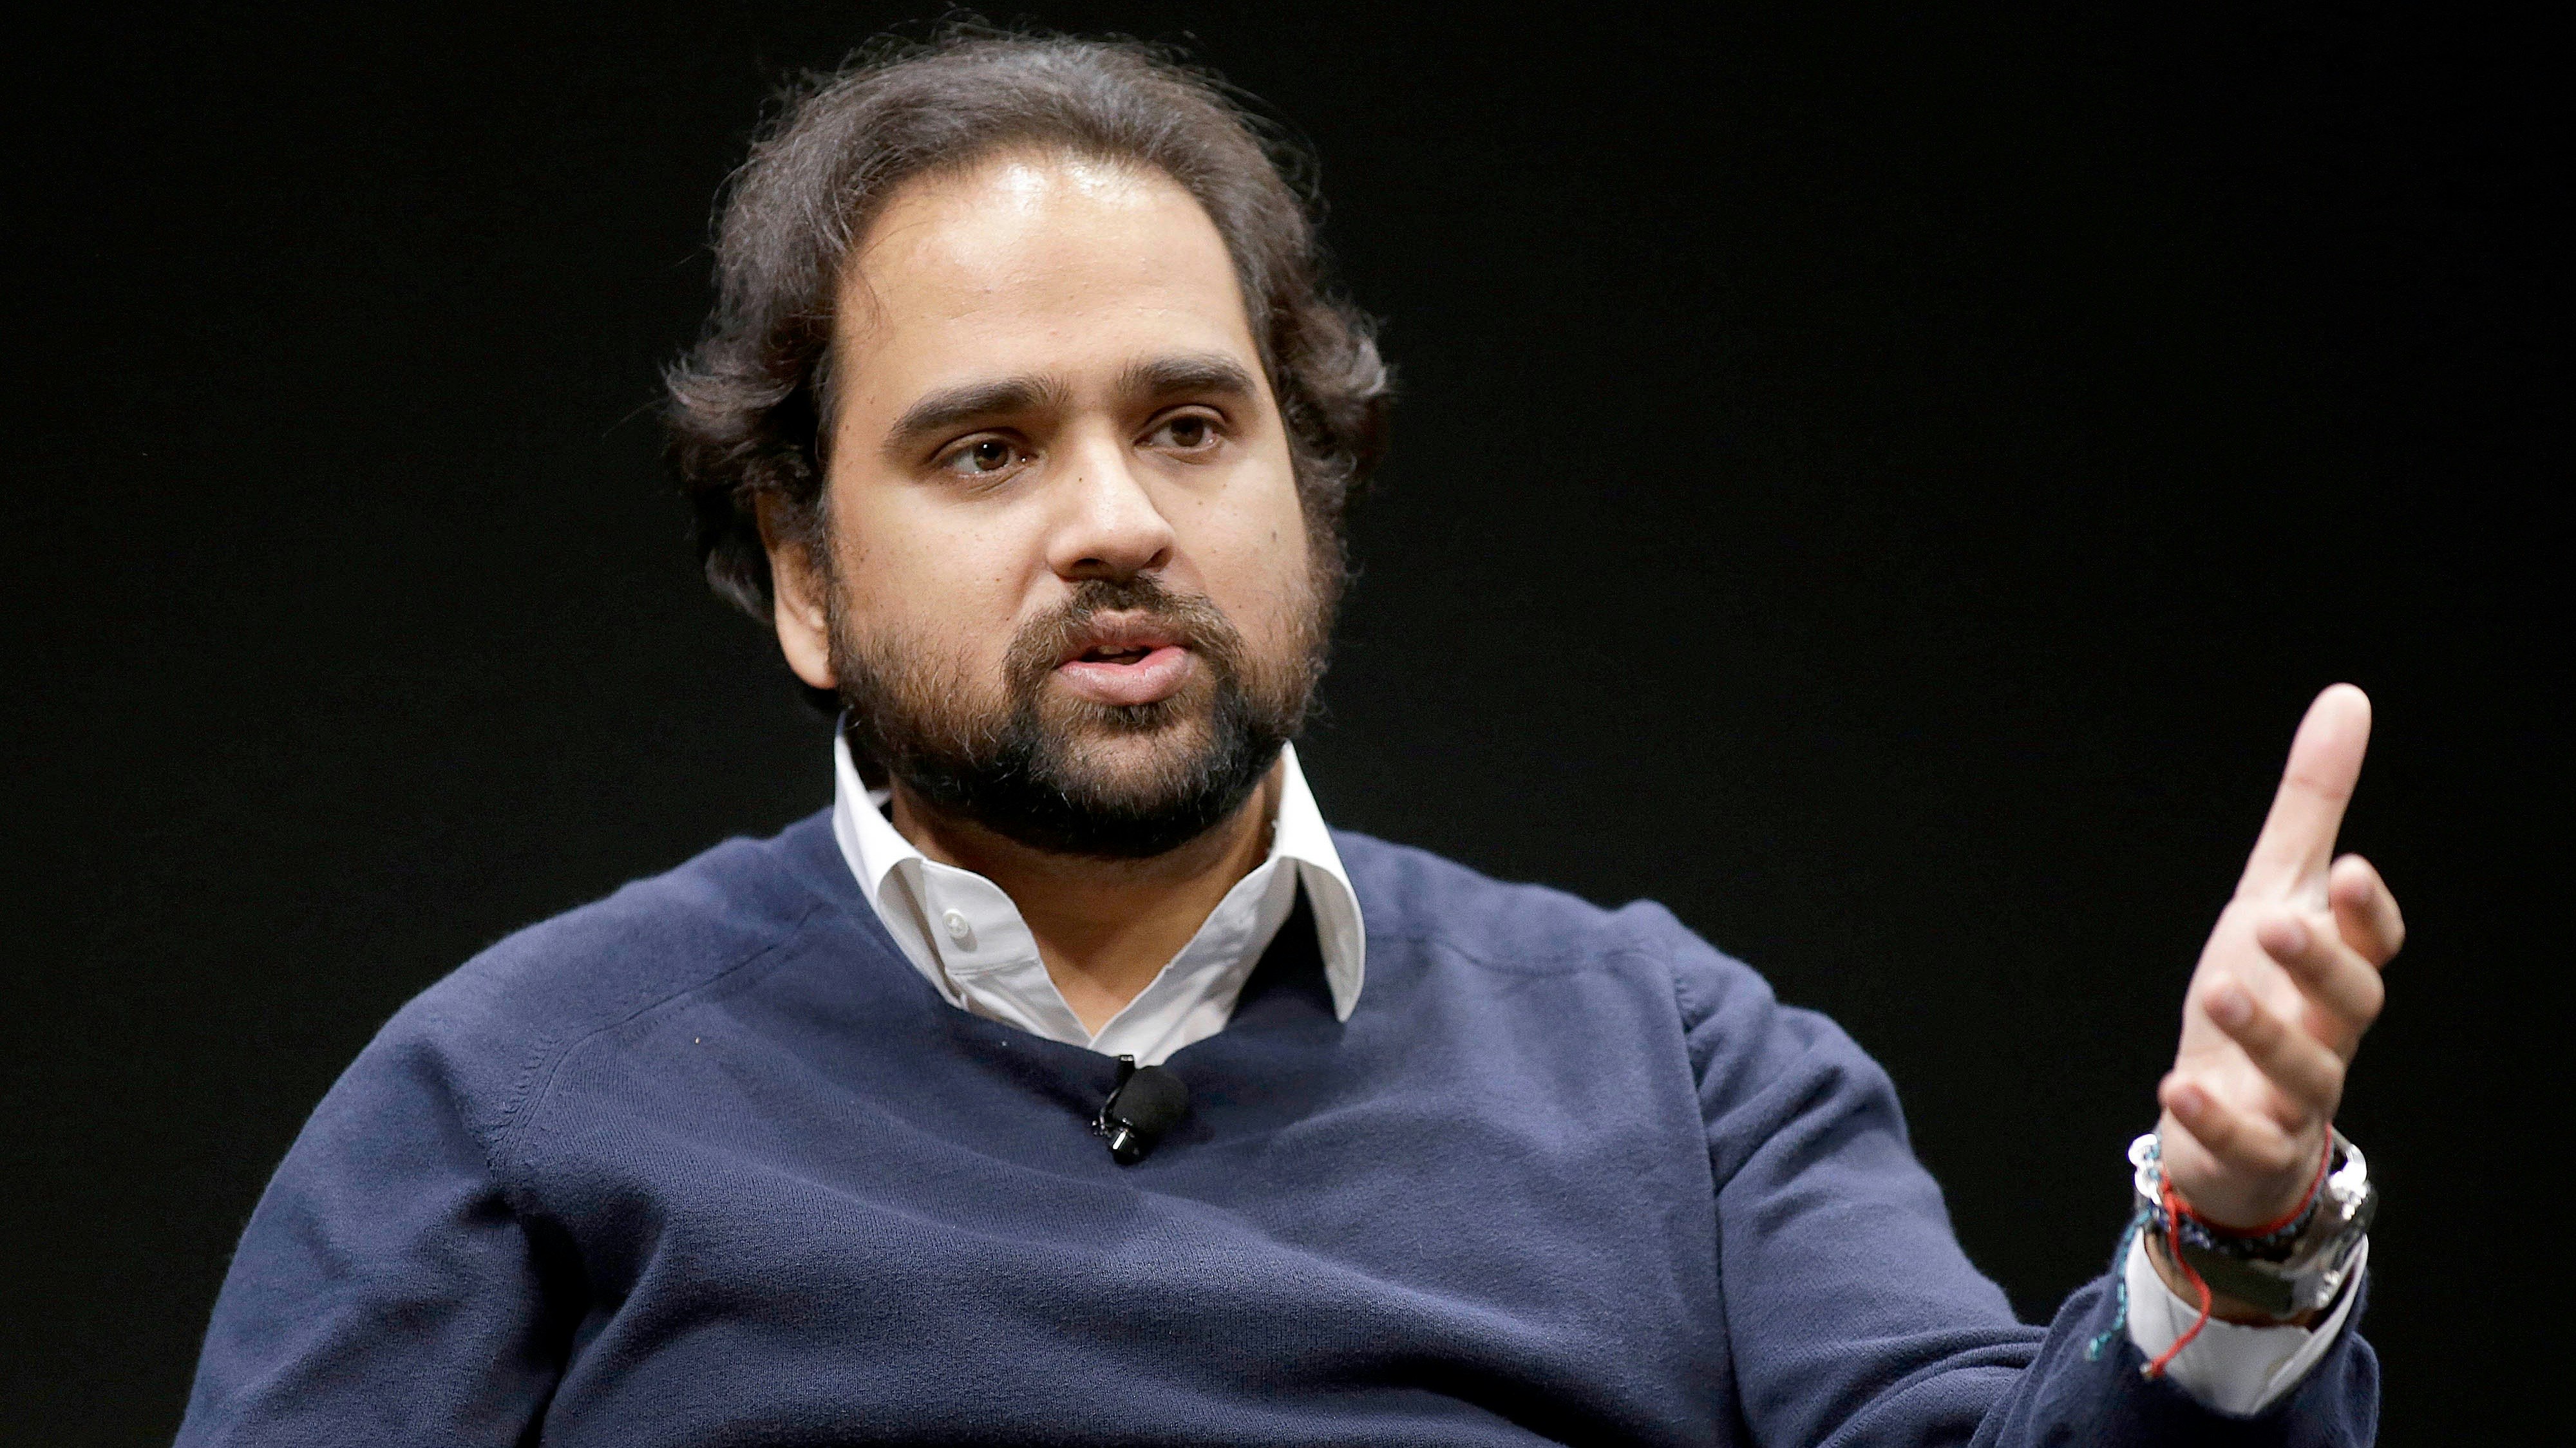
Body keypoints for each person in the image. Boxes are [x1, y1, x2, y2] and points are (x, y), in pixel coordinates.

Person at [178, 31, 2396, 1446]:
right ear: (803, 571)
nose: (1120, 520)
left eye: (1192, 423)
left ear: (1306, 488)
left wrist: (2228, 1238)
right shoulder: (509, 1098)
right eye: (983, 451)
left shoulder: (1676, 1062)